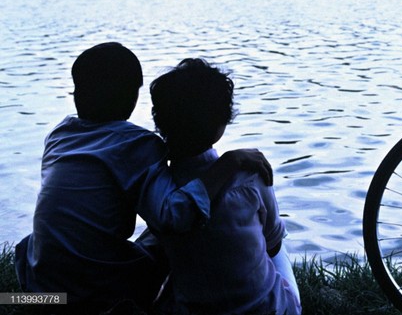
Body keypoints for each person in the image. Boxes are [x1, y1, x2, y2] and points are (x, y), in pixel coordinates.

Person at [15, 42, 272, 314]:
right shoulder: (136, 145)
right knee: (164, 246)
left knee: (43, 244)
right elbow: (175, 215)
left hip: (40, 278)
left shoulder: (59, 135)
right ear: (133, 99)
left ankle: (18, 300)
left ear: (77, 93)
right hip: (91, 293)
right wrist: (229, 163)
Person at [150, 58, 301, 315]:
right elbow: (272, 244)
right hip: (268, 309)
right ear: (221, 124)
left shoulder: (156, 187)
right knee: (276, 242)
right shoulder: (251, 176)